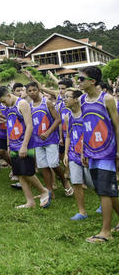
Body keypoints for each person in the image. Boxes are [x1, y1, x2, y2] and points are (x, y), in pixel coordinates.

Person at [77, 66, 119, 243]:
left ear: (92, 81)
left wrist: (118, 152)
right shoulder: (82, 100)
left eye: (81, 79)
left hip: (107, 152)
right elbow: (86, 126)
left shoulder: (107, 99)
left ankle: (106, 232)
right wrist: (83, 150)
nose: (78, 82)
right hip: (91, 151)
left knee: (104, 191)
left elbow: (117, 126)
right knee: (105, 190)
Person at [0, 86, 51, 209]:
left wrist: (24, 146)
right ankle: (30, 201)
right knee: (19, 173)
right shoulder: (8, 107)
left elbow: (29, 126)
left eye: (4, 101)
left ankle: (43, 191)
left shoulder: (22, 104)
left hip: (25, 144)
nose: (4, 104)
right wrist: (9, 144)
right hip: (14, 145)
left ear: (8, 95)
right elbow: (10, 126)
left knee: (28, 172)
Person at [25, 81, 72, 199]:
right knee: (43, 166)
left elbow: (58, 119)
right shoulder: (29, 106)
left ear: (38, 90)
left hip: (51, 139)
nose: (32, 93)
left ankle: (65, 181)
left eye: (34, 90)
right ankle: (49, 190)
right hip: (37, 141)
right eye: (29, 91)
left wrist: (48, 132)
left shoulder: (47, 103)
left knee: (53, 163)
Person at [62, 88, 89, 220]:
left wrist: (86, 152)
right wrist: (66, 153)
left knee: (93, 183)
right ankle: (82, 211)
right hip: (73, 154)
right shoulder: (68, 116)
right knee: (76, 182)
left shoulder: (87, 114)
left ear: (76, 99)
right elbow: (68, 136)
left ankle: (104, 203)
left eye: (68, 97)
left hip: (88, 154)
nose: (64, 100)